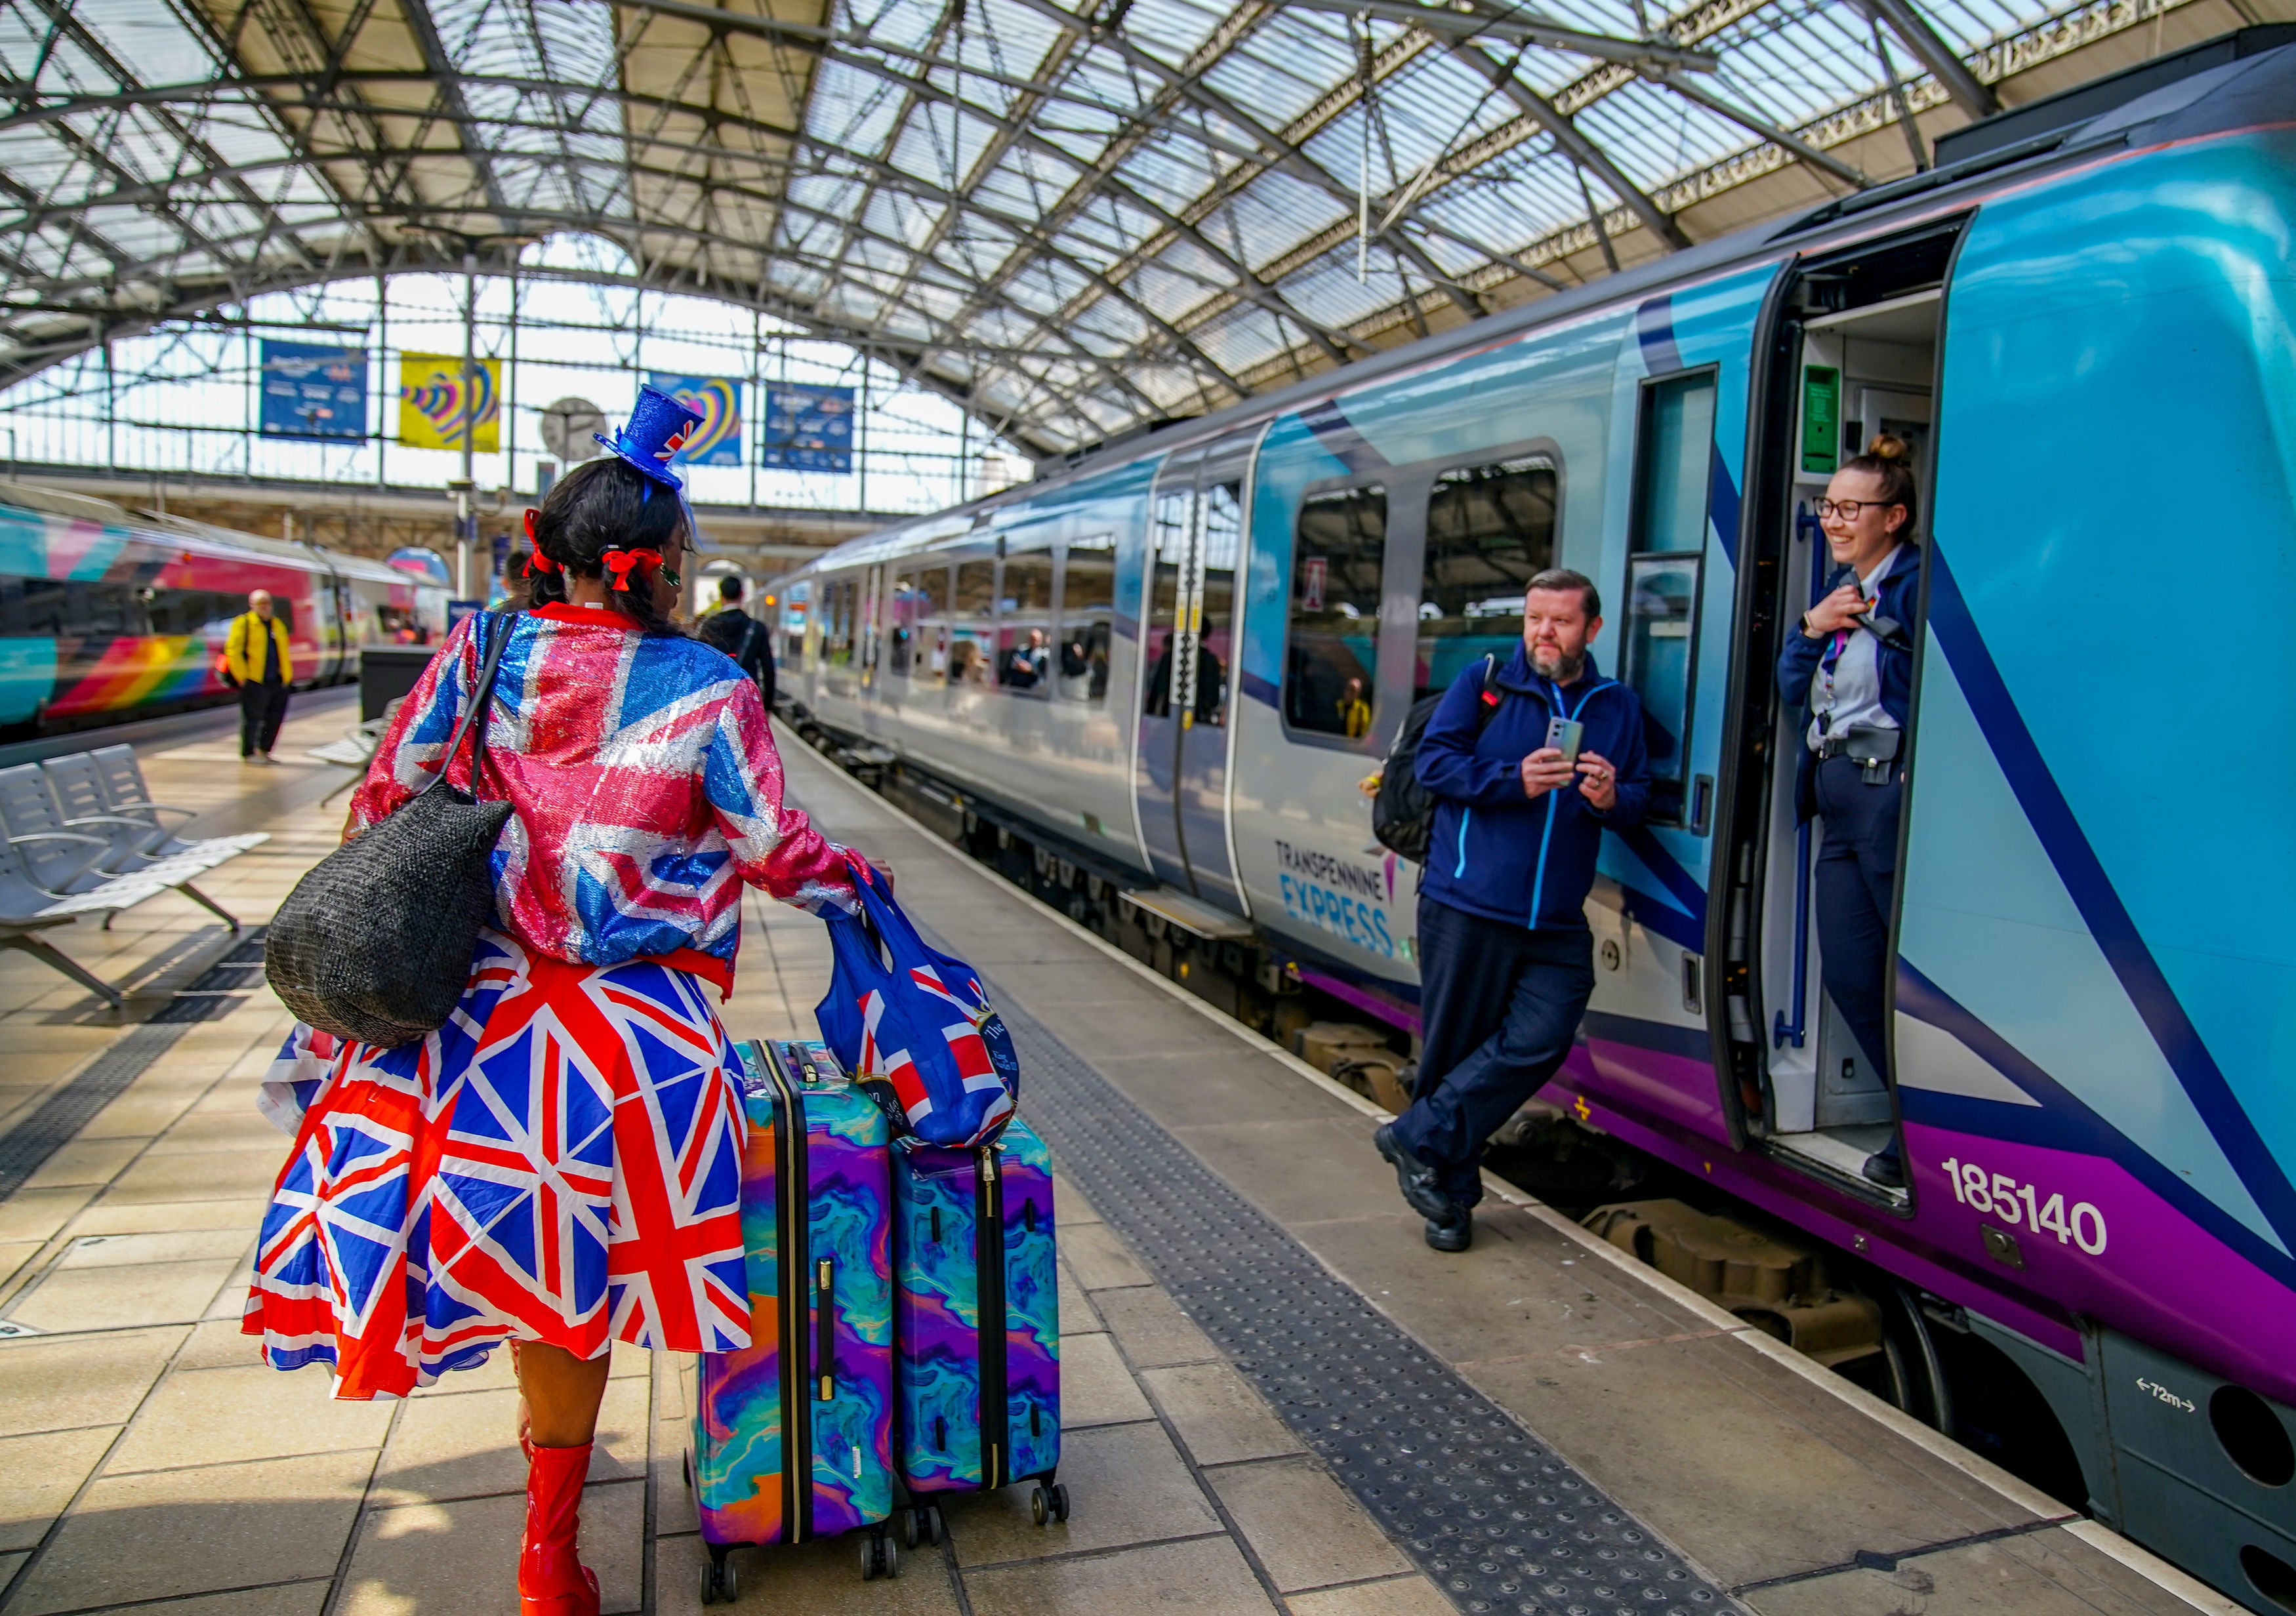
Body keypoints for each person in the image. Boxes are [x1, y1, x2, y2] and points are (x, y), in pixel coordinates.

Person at [243, 386, 865, 1616]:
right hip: (624, 1042)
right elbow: (774, 844)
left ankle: (542, 1534)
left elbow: (386, 794)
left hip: (463, 1025)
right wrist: (861, 883)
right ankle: (545, 1551)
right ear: (658, 569)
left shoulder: (481, 650)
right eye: (683, 560)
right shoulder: (708, 685)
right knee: (573, 1289)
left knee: (485, 1255)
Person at [1375, 569, 1649, 1253]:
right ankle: (1452, 1204)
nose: (1542, 633)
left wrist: (1612, 797)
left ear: (1591, 628)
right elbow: (1433, 764)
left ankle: (1414, 1137)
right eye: (1533, 618)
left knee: (1542, 1034)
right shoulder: (1486, 683)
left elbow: (1640, 797)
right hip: (1464, 904)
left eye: (1558, 621)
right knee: (1455, 1053)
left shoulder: (1615, 706)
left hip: (1553, 919)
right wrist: (1512, 780)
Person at [1776, 434, 1922, 1189]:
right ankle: (1911, 1114)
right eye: (1827, 506)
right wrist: (1810, 628)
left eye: (1847, 508)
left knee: (1904, 975)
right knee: (1849, 972)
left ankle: (1915, 1132)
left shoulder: (1914, 588)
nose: (1832, 520)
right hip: (1836, 796)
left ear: (1892, 517)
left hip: (1886, 794)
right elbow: (1786, 687)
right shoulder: (1839, 592)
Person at [224, 589, 293, 764]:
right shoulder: (244, 623)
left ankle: (264, 750)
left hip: (277, 680)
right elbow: (233, 650)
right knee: (253, 719)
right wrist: (243, 677)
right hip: (255, 680)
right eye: (260, 603)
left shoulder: (277, 624)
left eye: (267, 603)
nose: (265, 607)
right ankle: (248, 753)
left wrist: (287, 676)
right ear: (252, 605)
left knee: (274, 718)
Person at [695, 573, 777, 713]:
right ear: (742, 594)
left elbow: (699, 666)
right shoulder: (756, 627)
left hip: (715, 700)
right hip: (746, 701)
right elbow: (768, 669)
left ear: (721, 596)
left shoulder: (708, 625)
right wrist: (767, 706)